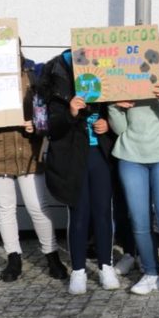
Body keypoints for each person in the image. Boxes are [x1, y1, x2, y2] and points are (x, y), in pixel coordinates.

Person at [0, 45, 66, 283]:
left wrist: (37, 125)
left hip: (26, 147)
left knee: (37, 206)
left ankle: (51, 256)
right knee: (5, 207)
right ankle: (14, 257)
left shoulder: (32, 72)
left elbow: (46, 106)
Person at [41, 49, 124, 295]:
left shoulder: (105, 73)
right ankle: (78, 270)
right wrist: (70, 112)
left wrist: (107, 124)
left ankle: (105, 265)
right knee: (78, 212)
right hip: (72, 157)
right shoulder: (55, 77)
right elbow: (50, 126)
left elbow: (116, 111)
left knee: (102, 211)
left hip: (100, 154)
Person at [108, 68, 159, 303]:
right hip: (131, 156)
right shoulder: (122, 83)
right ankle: (151, 273)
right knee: (139, 219)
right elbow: (120, 129)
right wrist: (115, 107)